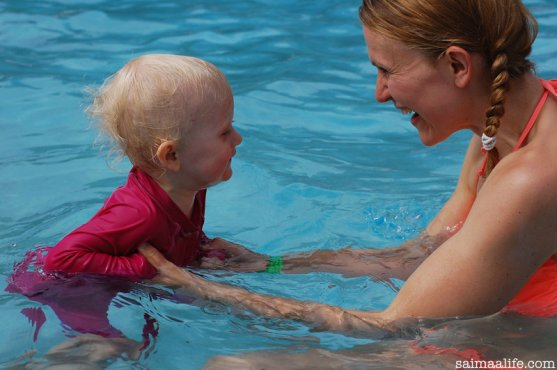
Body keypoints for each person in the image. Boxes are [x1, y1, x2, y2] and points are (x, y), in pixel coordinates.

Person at [139, 0, 557, 340]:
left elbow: (394, 325)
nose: (379, 93)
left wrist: (201, 290)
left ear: (457, 66)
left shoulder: (531, 177)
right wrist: (270, 265)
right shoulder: (498, 129)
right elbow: (423, 252)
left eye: (387, 70)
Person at [6, 54, 261, 342]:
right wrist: (146, 269)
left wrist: (200, 251)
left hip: (109, 283)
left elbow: (172, 238)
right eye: (225, 132)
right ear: (172, 155)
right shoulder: (138, 212)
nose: (238, 138)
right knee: (104, 350)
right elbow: (61, 259)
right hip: (68, 288)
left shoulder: (190, 187)